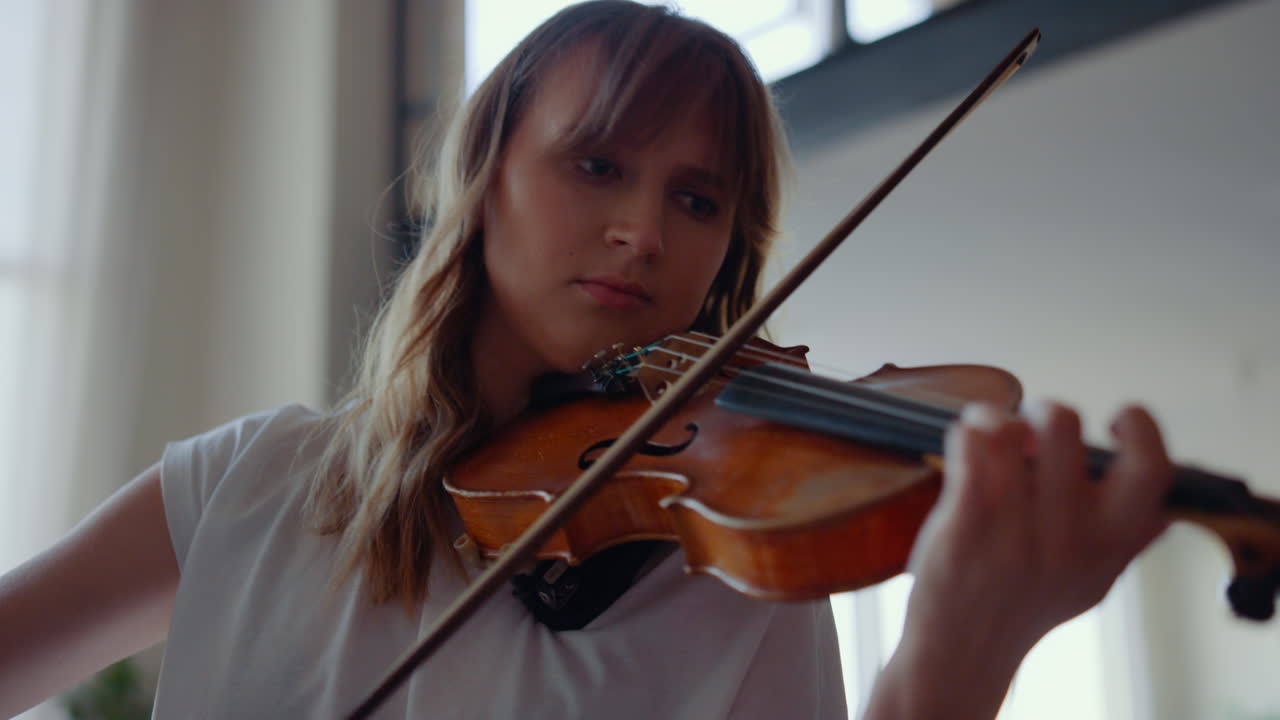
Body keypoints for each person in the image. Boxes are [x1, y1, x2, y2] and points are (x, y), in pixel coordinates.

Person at [0, 2, 1172, 718]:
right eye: (597, 165)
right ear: (484, 178)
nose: (645, 234)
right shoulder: (253, 483)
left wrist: (956, 660)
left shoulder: (736, 582)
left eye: (696, 197)